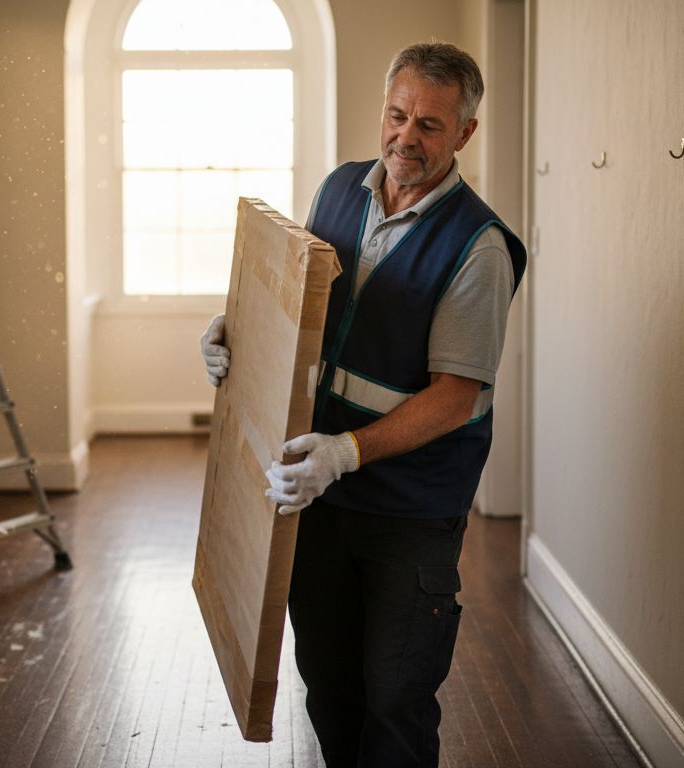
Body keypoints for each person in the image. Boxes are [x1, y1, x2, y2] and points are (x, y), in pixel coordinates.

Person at [199, 42, 527, 767]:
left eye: (431, 126)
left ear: (465, 134)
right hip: (321, 501)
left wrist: (342, 454)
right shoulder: (339, 191)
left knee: (396, 699)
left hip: (407, 515)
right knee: (330, 687)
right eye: (397, 115)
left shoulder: (478, 248)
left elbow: (453, 398)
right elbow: (301, 310)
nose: (406, 137)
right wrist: (234, 332)